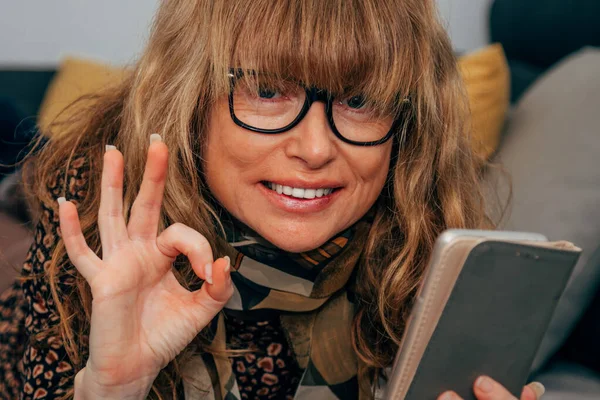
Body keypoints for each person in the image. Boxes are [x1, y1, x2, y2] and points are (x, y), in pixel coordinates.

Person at [0, 0, 547, 399]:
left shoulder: (418, 230)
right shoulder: (100, 217)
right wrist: (112, 390)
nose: (314, 149)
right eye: (267, 91)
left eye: (359, 100)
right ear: (191, 100)